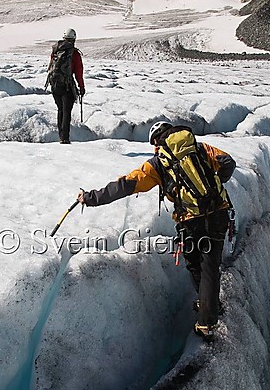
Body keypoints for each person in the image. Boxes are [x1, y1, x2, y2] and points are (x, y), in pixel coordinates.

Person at [77, 122, 236, 339]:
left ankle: (207, 320)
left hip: (191, 221)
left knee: (195, 263)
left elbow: (127, 185)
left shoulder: (158, 163)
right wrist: (215, 187)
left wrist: (91, 198)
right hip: (218, 213)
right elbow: (227, 162)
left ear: (156, 142)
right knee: (210, 263)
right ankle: (208, 305)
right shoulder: (200, 148)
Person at [46, 28, 85, 144]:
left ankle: (61, 136)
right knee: (67, 111)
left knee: (60, 110)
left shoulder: (56, 50)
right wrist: (81, 87)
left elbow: (51, 67)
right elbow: (78, 72)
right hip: (67, 85)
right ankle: (65, 138)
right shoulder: (75, 54)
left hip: (55, 84)